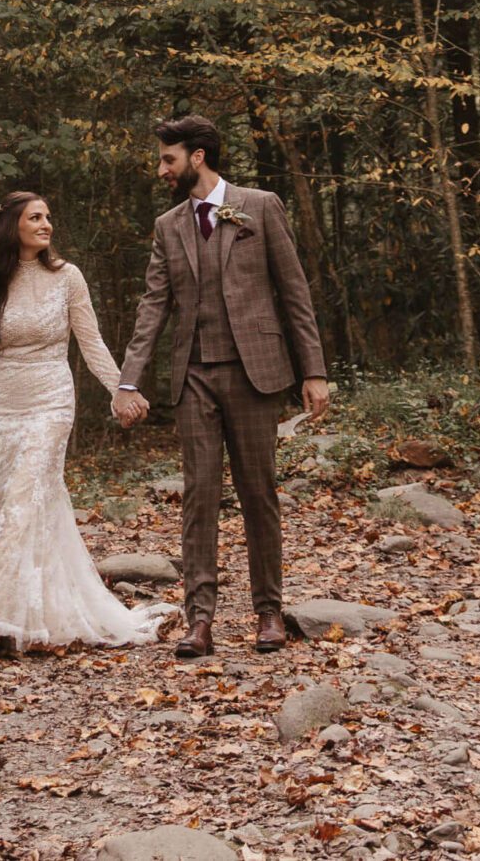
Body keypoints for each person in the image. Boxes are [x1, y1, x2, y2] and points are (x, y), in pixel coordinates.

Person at [113, 115, 329, 657]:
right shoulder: (168, 226)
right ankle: (200, 620)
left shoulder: (260, 205)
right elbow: (153, 306)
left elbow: (294, 291)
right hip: (193, 377)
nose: (161, 169)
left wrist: (314, 370)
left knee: (259, 494)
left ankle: (268, 613)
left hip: (257, 373)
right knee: (199, 496)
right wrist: (127, 380)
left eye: (169, 159)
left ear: (199, 157)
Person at [0, 192, 177, 650]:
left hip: (52, 401)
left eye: (49, 216)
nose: (47, 224)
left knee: (24, 496)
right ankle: (34, 614)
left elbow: (90, 342)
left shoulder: (67, 277)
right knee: (13, 504)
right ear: (13, 225)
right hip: (3, 408)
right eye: (36, 217)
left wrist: (121, 389)